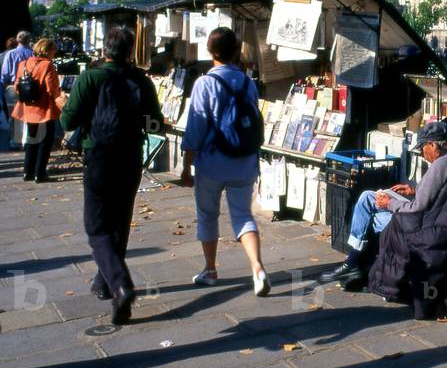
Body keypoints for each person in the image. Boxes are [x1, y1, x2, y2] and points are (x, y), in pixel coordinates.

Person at [60, 26, 164, 325]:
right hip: (130, 156)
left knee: (96, 228)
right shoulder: (142, 81)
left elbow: (69, 119)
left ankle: (120, 285)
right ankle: (104, 283)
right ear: (130, 51)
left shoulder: (90, 78)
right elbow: (155, 123)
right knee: (119, 223)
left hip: (99, 155)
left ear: (105, 49)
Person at [319, 121, 447, 287]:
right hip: (439, 222)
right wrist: (414, 191)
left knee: (369, 214)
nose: (422, 153)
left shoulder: (440, 165)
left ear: (432, 145)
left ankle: (353, 263)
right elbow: (440, 194)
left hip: (421, 227)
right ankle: (357, 264)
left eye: (422, 148)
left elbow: (416, 209)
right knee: (367, 197)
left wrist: (389, 203)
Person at [181, 27, 270, 297]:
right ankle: (257, 268)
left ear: (211, 52)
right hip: (244, 161)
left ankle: (210, 270)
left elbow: (195, 128)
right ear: (235, 52)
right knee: (243, 215)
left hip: (212, 162)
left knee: (207, 215)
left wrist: (187, 165)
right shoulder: (248, 83)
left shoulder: (204, 83)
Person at [12, 39, 65, 182]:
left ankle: (27, 171)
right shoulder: (47, 65)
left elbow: (17, 85)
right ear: (48, 51)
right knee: (45, 141)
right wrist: (61, 95)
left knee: (31, 139)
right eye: (53, 51)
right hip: (44, 107)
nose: (54, 54)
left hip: (28, 107)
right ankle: (40, 173)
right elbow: (51, 88)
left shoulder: (23, 63)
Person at [2, 31, 35, 151]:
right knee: (28, 113)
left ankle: (15, 141)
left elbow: (4, 74)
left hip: (12, 87)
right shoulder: (32, 53)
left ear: (17, 40)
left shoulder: (10, 54)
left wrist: (4, 86)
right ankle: (27, 140)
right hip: (30, 87)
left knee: (14, 115)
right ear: (28, 40)